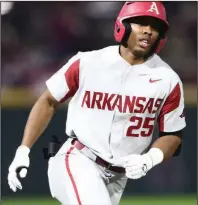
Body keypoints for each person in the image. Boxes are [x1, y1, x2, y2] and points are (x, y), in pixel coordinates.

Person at [8, 2, 186, 205]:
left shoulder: (168, 79)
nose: (148, 31)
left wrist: (150, 159)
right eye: (140, 23)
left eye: (155, 27)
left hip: (119, 177)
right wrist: (24, 149)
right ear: (122, 25)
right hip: (78, 159)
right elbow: (48, 100)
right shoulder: (88, 62)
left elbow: (173, 135)